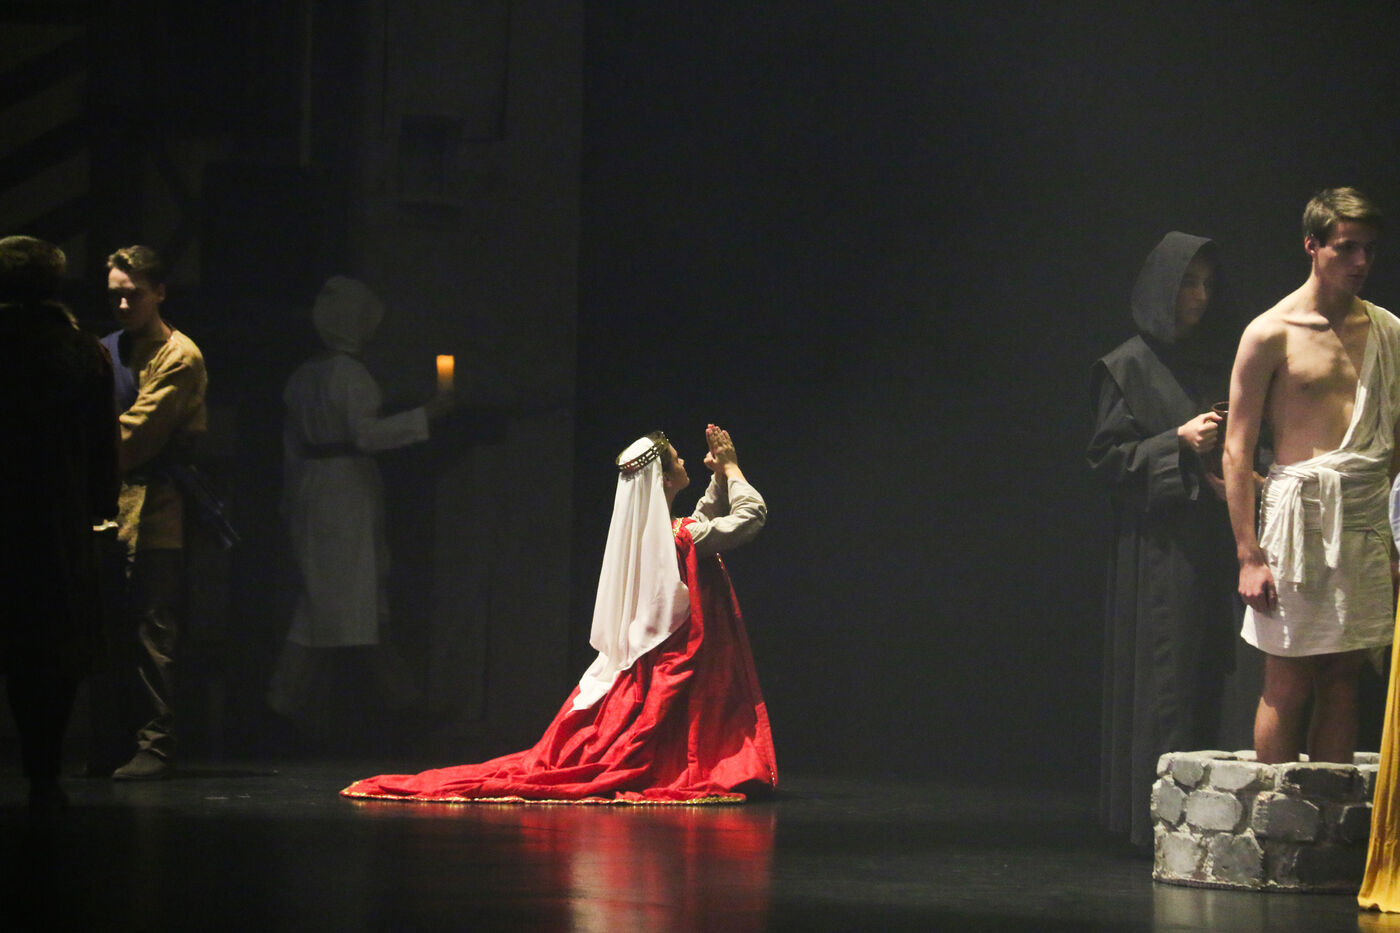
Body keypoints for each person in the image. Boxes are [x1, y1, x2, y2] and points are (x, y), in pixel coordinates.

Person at [341, 424, 776, 803]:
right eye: (677, 459)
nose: (684, 461)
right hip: (679, 657)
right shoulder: (678, 537)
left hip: (665, 657)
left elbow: (701, 525)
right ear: (662, 479)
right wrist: (733, 469)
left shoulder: (660, 536)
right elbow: (750, 517)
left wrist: (718, 478)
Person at [1223, 187, 1399, 770]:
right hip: (1295, 520)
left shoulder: (1387, 331)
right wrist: (1249, 554)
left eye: (1369, 249)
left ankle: (1329, 815)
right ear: (1312, 246)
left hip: (1363, 519)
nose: (1360, 261)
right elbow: (1236, 448)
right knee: (1288, 678)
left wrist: (1392, 540)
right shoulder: (1270, 332)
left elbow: (1394, 444)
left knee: (1343, 677)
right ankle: (1275, 814)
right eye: (1346, 247)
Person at [1089, 232, 1249, 847]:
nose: (1199, 297)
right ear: (1162, 287)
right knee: (1168, 680)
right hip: (1159, 548)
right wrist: (1175, 442)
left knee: (1219, 673)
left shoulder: (1218, 359)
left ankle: (1214, 825)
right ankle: (1158, 823)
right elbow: (1108, 461)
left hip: (1217, 539)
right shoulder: (1126, 365)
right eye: (1187, 284)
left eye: (1207, 284)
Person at [267, 276, 454, 728]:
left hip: (317, 491)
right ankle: (394, 704)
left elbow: (292, 446)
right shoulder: (348, 375)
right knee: (341, 602)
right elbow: (366, 434)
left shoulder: (305, 375)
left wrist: (291, 498)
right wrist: (428, 414)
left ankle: (292, 702)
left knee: (338, 600)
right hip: (341, 496)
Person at [0, 236, 119, 808]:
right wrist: (100, 503)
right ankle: (44, 774)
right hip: (54, 518)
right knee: (52, 650)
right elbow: (102, 441)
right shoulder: (81, 350)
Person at [96, 245, 208, 780]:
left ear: (159, 293)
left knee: (152, 628)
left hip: (159, 508)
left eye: (134, 295)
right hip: (106, 504)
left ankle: (156, 743)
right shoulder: (107, 349)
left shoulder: (179, 356)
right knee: (109, 627)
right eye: (115, 295)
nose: (123, 305)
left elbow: (136, 435)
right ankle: (112, 739)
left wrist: (73, 450)